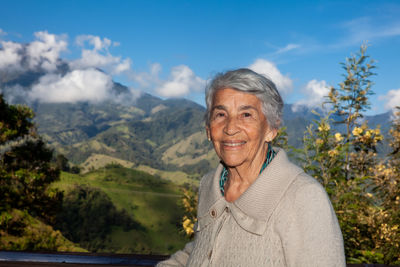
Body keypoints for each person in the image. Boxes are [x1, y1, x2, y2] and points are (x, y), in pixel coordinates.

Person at [157, 68, 345, 266]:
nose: (230, 128)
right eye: (221, 114)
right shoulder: (209, 185)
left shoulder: (304, 197)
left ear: (271, 129)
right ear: (208, 130)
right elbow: (202, 250)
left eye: (246, 115)